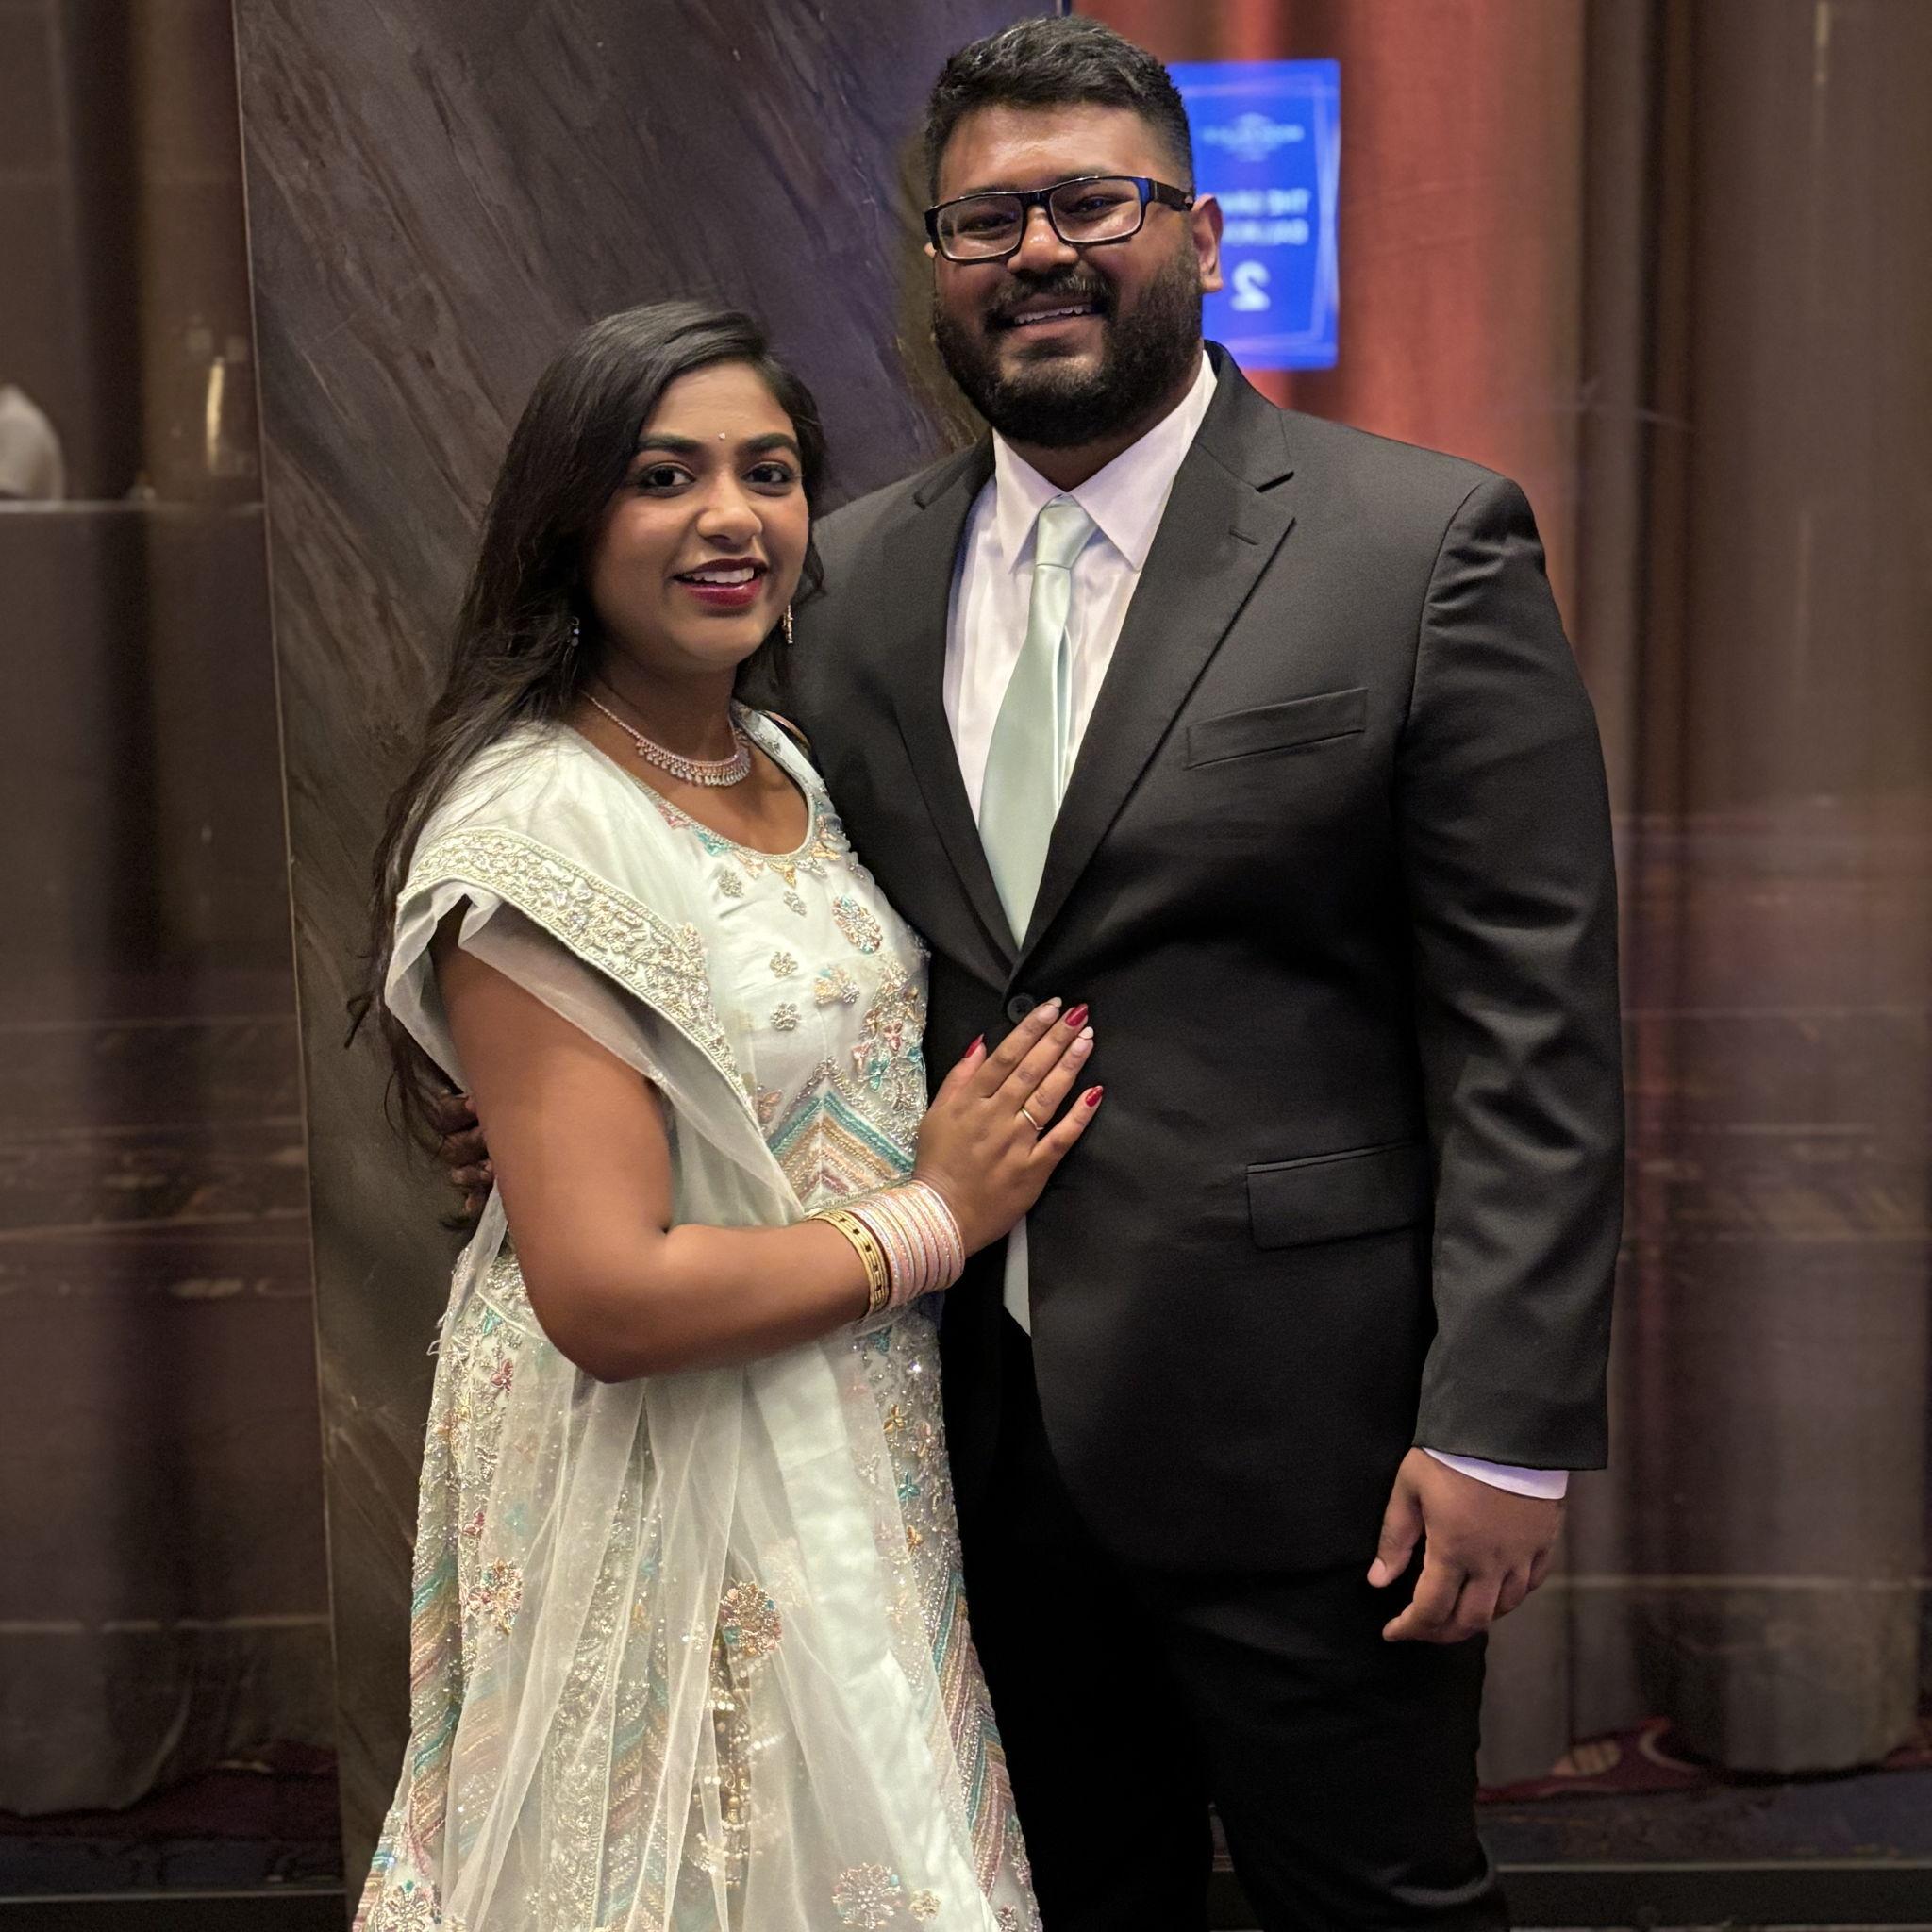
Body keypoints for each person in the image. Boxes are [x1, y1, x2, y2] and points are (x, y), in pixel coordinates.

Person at [444, 19, 1624, 1929]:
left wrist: (1500, 1423)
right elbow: (736, 895)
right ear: (937, 264)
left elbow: (1533, 1028)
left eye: (1093, 202)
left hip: (1310, 1437)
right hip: (940, 1444)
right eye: (986, 218)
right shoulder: (843, 579)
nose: (1041, 251)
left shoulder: (1416, 545)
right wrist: (541, 1091)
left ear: (1202, 234)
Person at [357, 301, 1103, 1931]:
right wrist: (938, 1216)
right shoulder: (540, 822)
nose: (730, 518)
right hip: (667, 1466)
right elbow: (608, 1297)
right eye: (663, 476)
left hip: (852, 1434)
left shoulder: (777, 755)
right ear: (570, 520)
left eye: (768, 472)